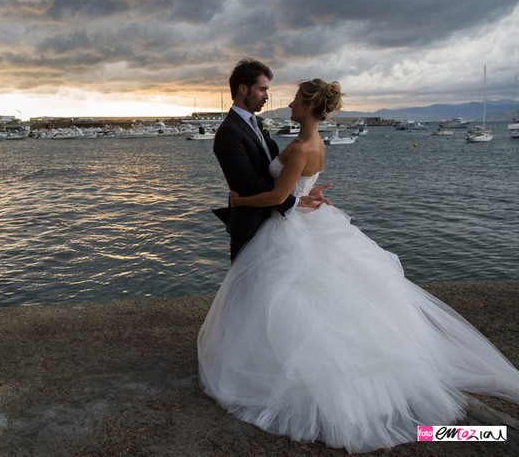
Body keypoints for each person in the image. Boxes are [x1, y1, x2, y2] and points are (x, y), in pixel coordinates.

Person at [198, 78, 519, 453]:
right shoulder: (315, 144)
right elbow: (297, 189)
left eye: (296, 100)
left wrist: (238, 199)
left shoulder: (301, 146)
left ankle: (287, 370)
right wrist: (305, 194)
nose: (289, 104)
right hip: (305, 221)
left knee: (293, 302)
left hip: (289, 228)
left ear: (309, 105)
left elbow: (276, 195)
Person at [212, 58, 327, 261]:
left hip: (277, 224)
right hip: (251, 226)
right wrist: (293, 200)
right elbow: (248, 184)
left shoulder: (257, 123)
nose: (267, 96)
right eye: (262, 89)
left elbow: (274, 172)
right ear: (243, 89)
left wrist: (302, 189)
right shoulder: (228, 132)